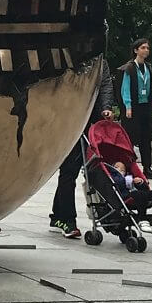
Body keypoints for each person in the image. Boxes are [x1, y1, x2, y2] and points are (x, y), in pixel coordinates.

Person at [49, 56, 115, 239]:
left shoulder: (100, 62)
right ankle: (67, 220)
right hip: (70, 122)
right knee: (69, 170)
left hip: (90, 123)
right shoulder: (67, 59)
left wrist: (106, 107)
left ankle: (57, 216)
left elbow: (105, 84)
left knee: (82, 170)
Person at [118, 38, 152, 179]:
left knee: (146, 139)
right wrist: (128, 106)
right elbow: (125, 89)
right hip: (133, 109)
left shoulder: (148, 67)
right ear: (136, 50)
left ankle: (147, 168)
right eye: (143, 48)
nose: (146, 50)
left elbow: (150, 89)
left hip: (145, 108)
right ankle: (129, 167)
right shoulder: (129, 68)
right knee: (130, 138)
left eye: (147, 48)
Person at [107, 160, 152, 233]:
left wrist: (140, 182)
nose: (121, 169)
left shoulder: (129, 176)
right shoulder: (113, 177)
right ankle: (142, 219)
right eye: (117, 167)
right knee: (139, 194)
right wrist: (122, 176)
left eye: (123, 169)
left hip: (141, 194)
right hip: (126, 197)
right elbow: (117, 183)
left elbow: (145, 189)